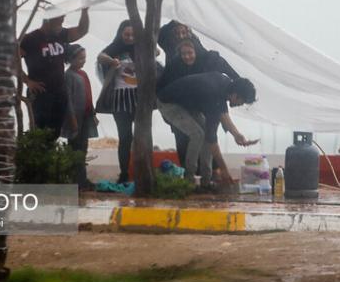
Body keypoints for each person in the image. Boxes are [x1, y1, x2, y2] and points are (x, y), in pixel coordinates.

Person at [157, 72, 257, 189]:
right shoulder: (213, 95)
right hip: (169, 103)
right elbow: (212, 139)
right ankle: (188, 180)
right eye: (242, 102)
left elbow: (223, 113)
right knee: (198, 135)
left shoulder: (225, 84)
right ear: (235, 95)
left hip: (187, 106)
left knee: (204, 135)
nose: (241, 105)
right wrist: (224, 169)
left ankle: (206, 181)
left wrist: (236, 134)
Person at [157, 39, 240, 167]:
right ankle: (190, 175)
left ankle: (206, 176)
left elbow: (222, 110)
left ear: (196, 52)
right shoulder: (174, 66)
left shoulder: (207, 62)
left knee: (207, 134)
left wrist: (236, 134)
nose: (187, 57)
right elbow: (162, 89)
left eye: (190, 53)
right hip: (172, 103)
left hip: (193, 104)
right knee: (196, 135)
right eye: (183, 54)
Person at [20, 7, 89, 138]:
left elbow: (82, 30)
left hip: (59, 91)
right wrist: (27, 81)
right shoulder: (30, 39)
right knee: (39, 130)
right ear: (48, 20)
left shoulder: (61, 34)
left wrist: (85, 11)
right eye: (59, 20)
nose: (62, 22)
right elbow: (12, 60)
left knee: (55, 131)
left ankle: (50, 154)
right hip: (40, 93)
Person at [96, 20, 137, 183]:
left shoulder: (141, 46)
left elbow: (156, 52)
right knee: (125, 136)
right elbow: (100, 56)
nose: (130, 37)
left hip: (139, 96)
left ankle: (142, 170)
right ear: (121, 33)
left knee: (142, 136)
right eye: (126, 34)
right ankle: (124, 173)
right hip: (119, 97)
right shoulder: (114, 48)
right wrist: (112, 61)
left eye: (133, 34)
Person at [61, 44, 98, 190]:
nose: (84, 61)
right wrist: (72, 119)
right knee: (75, 149)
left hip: (86, 115)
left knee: (83, 148)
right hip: (75, 118)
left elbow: (89, 95)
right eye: (81, 58)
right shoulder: (68, 76)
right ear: (71, 59)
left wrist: (93, 114)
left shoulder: (83, 74)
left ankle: (82, 180)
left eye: (85, 58)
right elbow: (68, 99)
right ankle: (76, 181)